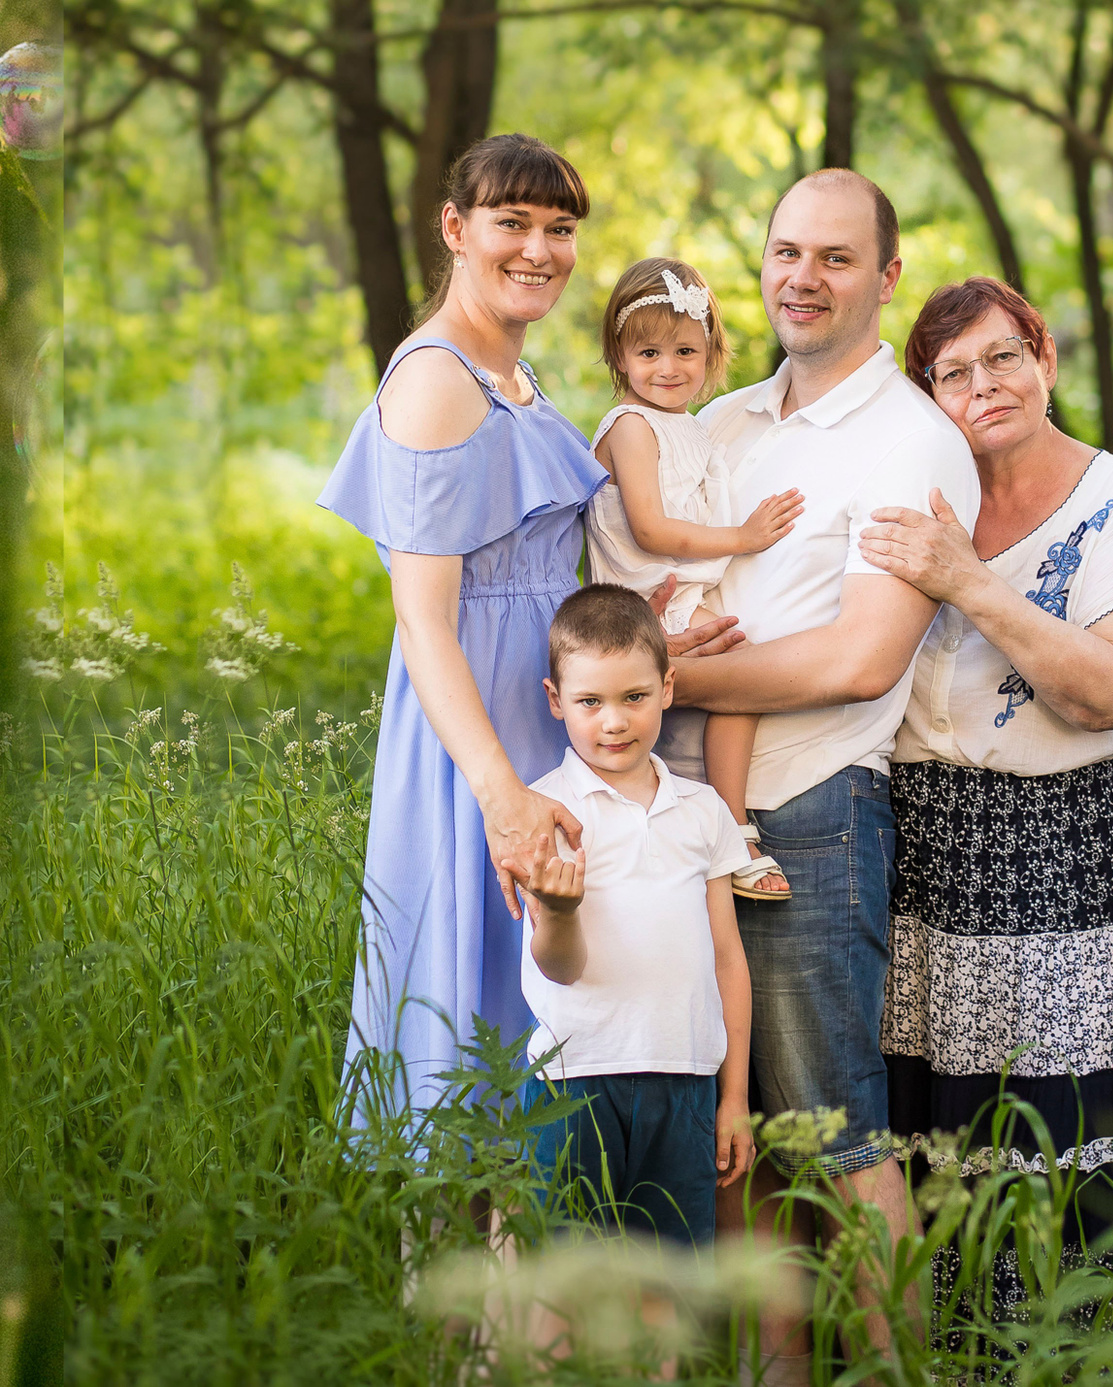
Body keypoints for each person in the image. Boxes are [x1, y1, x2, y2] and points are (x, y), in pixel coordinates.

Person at [667, 167, 979, 1381]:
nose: (804, 276)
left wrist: (654, 687)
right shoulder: (726, 420)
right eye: (787, 250)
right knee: (737, 1137)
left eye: (837, 257)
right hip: (685, 822)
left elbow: (860, 659)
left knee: (839, 1138)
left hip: (805, 822)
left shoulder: (912, 438)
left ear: (887, 278)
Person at [855, 277, 1113, 1302]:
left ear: (1044, 361)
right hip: (919, 836)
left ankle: (1077, 1348)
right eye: (952, 372)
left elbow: (1109, 689)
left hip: (1059, 839)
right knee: (928, 1117)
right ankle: (948, 1356)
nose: (983, 383)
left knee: (1060, 1114)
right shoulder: (917, 496)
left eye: (1004, 356)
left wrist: (966, 578)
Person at [318, 133, 609, 1117]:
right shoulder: (437, 380)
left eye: (559, 228)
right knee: (464, 1022)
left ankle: (515, 1266)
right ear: (455, 228)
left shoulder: (520, 380)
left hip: (545, 718)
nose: (539, 249)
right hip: (472, 741)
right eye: (512, 223)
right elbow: (426, 624)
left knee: (539, 1024)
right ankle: (439, 1264)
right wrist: (501, 795)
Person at [516, 584, 755, 1247]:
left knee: (668, 1288)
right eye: (590, 701)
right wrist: (561, 913)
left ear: (668, 687)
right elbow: (558, 966)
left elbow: (727, 956)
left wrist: (732, 1095)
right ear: (555, 698)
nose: (613, 721)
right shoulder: (543, 810)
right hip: (575, 1079)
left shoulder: (702, 808)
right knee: (568, 1285)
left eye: (634, 697)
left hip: (684, 1078)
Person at [587, 256, 806, 900]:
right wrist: (744, 538)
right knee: (747, 677)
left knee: (745, 673)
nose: (668, 367)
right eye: (648, 351)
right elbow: (653, 531)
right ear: (620, 357)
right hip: (640, 605)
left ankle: (720, 825)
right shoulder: (632, 427)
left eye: (686, 350)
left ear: (711, 352)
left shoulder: (694, 427)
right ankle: (730, 827)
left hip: (680, 596)